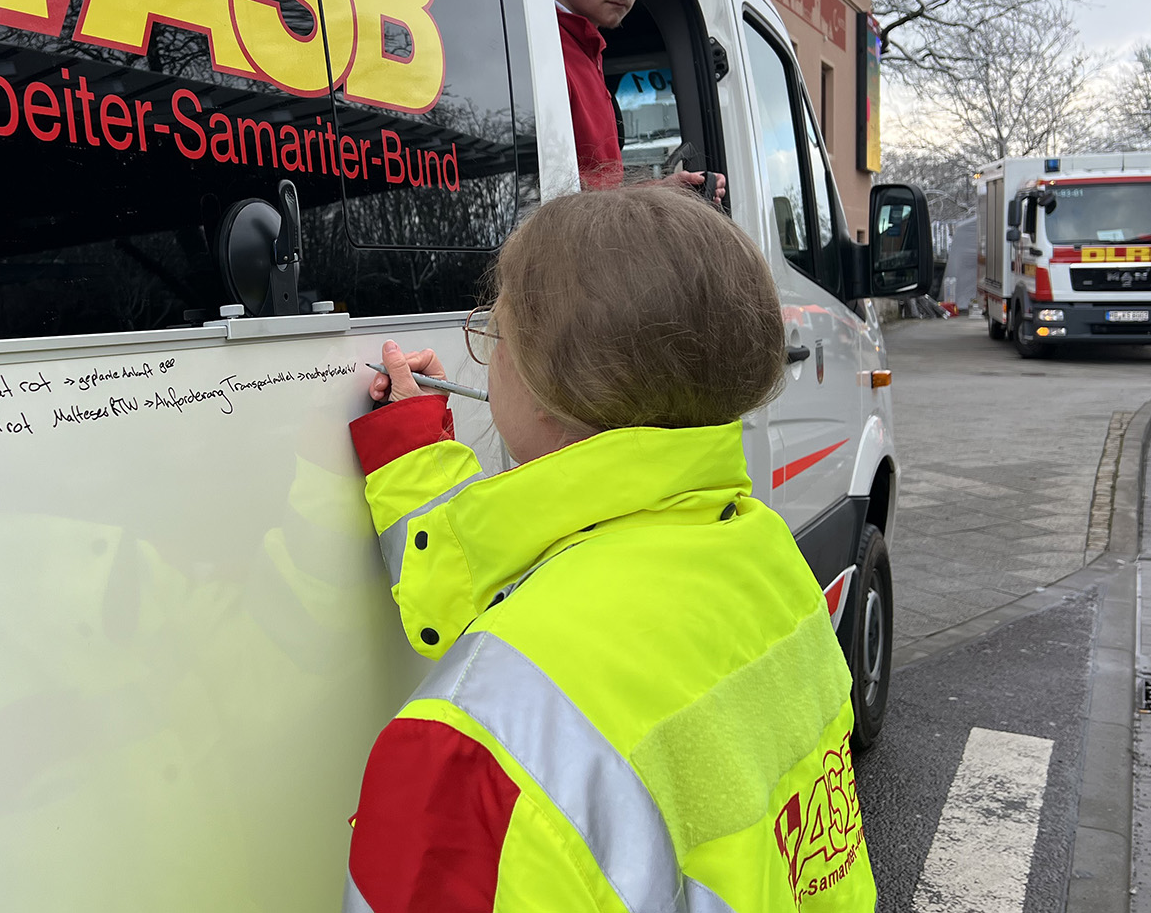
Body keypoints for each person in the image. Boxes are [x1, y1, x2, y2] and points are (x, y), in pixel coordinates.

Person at [341, 185, 874, 912]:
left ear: (545, 384)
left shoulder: (474, 744)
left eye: (494, 335)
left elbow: (537, 656)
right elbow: (526, 592)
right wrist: (413, 454)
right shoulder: (756, 550)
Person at [548, 0, 726, 201]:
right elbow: (557, 207)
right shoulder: (545, 54)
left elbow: (587, 197)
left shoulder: (586, 51)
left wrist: (660, 192)